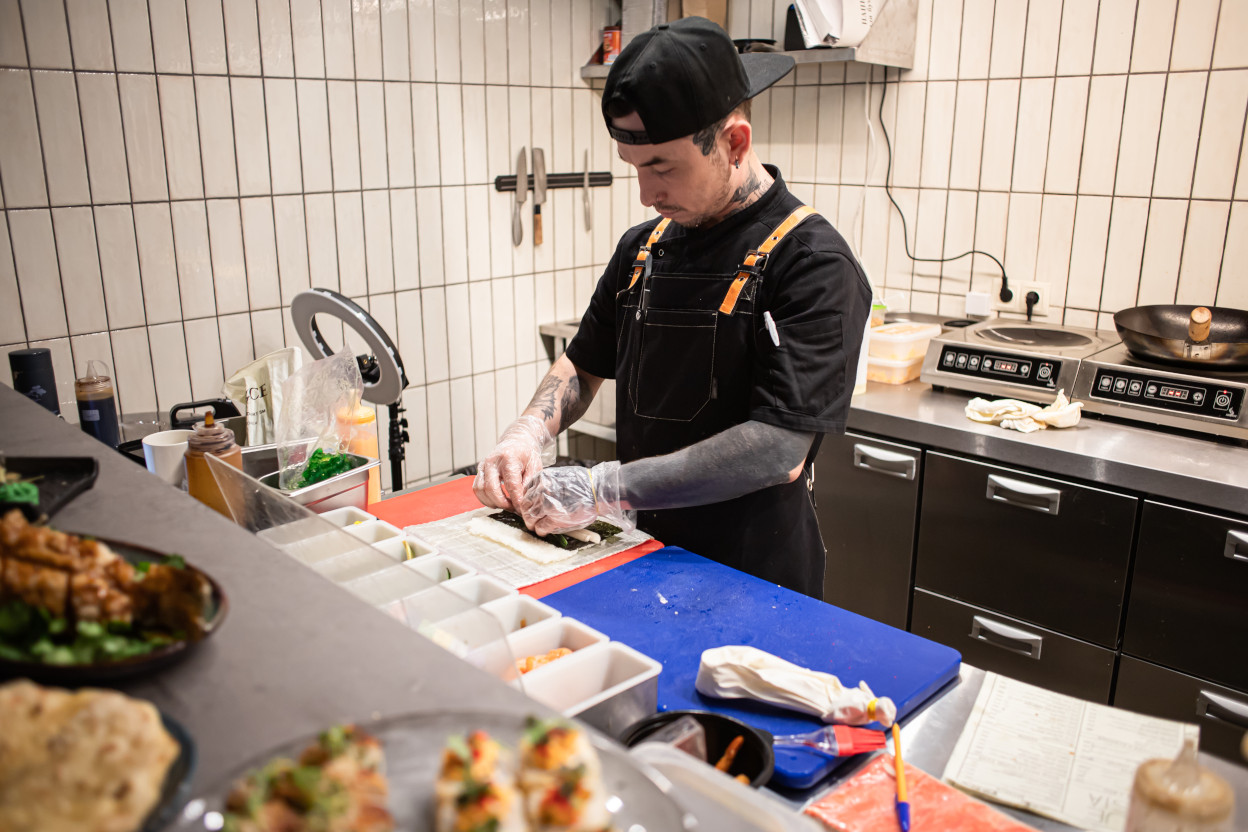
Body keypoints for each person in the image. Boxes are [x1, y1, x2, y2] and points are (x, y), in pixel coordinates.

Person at [474, 17, 871, 598]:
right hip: (640, 556)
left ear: (734, 143)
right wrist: (528, 431)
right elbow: (583, 363)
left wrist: (603, 488)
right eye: (635, 167)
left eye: (663, 167)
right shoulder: (643, 249)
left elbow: (778, 450)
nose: (646, 194)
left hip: (752, 579)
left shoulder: (811, 262)